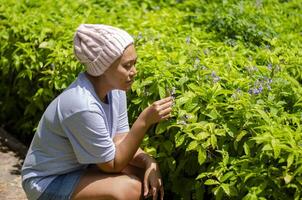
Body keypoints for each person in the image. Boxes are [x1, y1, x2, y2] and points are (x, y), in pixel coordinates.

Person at [21, 24, 173, 200]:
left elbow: (120, 141)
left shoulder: (115, 89)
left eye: (134, 63)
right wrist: (144, 121)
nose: (134, 72)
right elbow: (113, 164)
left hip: (79, 170)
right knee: (128, 189)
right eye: (127, 65)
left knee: (141, 171)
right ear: (104, 68)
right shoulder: (82, 105)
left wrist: (149, 161)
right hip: (46, 182)